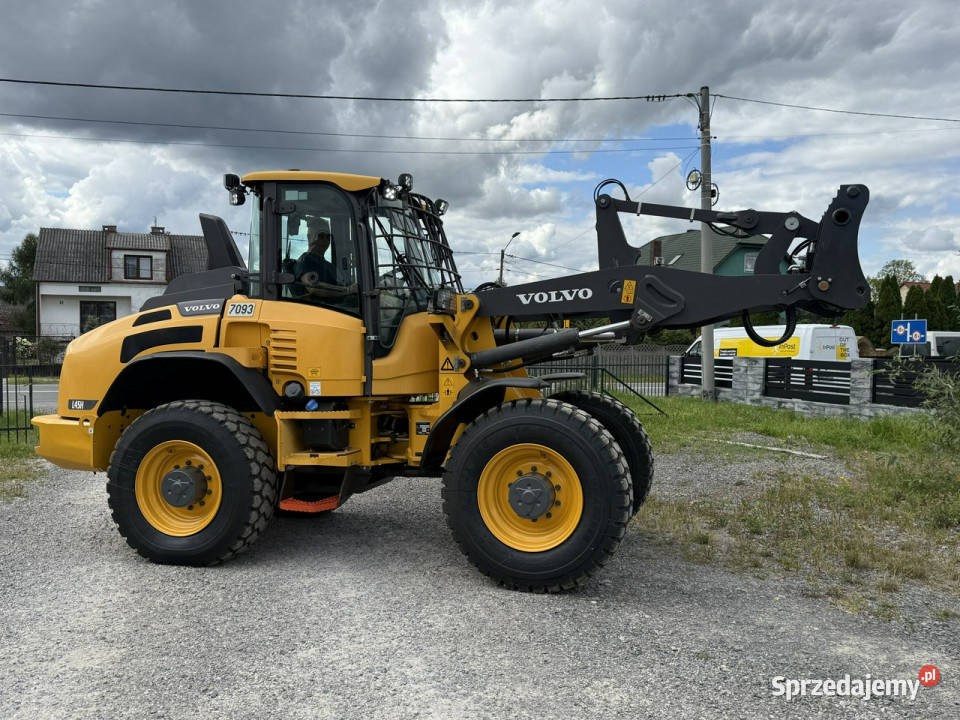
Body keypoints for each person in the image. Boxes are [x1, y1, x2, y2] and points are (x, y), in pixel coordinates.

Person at [293, 219, 338, 288]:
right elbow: (313, 287)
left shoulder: (330, 266)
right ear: (310, 237)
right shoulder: (305, 262)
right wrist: (347, 290)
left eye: (328, 237)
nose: (326, 241)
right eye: (321, 236)